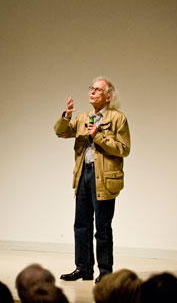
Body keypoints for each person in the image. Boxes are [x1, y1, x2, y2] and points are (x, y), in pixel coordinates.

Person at [54, 76, 130, 283]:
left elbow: (124, 149)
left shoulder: (118, 119)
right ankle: (84, 268)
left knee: (103, 228)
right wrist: (67, 116)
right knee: (81, 225)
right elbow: (61, 132)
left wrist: (98, 136)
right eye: (91, 89)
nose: (92, 92)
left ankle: (105, 273)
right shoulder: (83, 117)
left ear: (108, 97)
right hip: (83, 175)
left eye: (97, 90)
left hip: (104, 178)